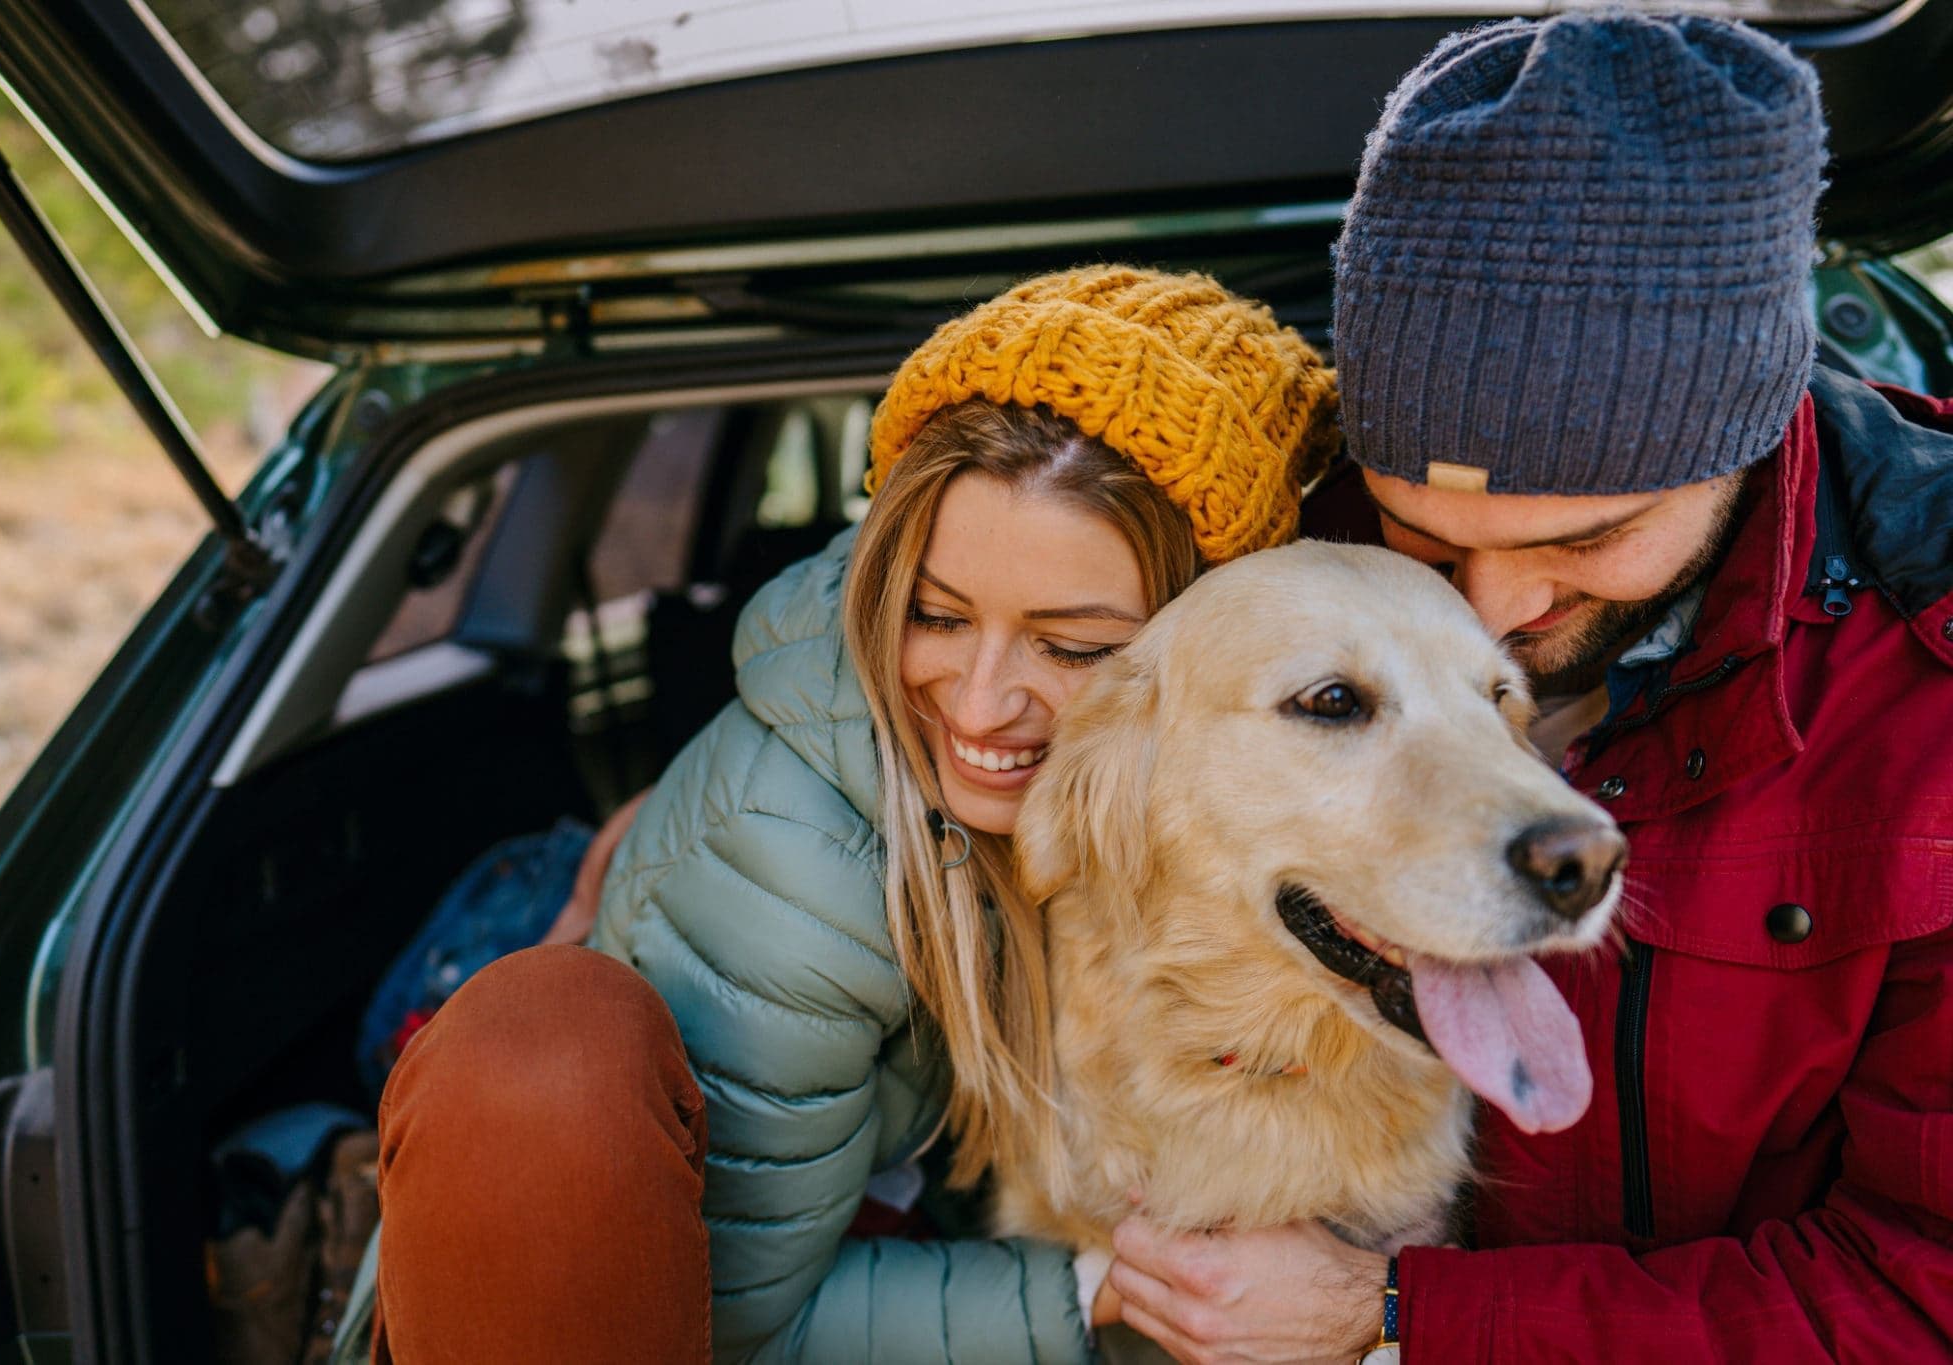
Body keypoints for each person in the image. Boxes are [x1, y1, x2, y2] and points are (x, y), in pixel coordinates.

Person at [1095, 14, 1953, 1362]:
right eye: (1426, 538)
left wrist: (1398, 1319)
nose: (1494, 607)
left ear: (1745, 436)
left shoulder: (1928, 683)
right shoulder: (1255, 549)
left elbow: (1925, 1294)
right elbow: (973, 620)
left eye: (1584, 541)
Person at [367, 266, 1340, 1362]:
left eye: (1070, 648)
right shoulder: (804, 880)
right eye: (932, 616)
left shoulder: (1222, 790)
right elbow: (742, 1324)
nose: (979, 705)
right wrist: (1102, 1289)